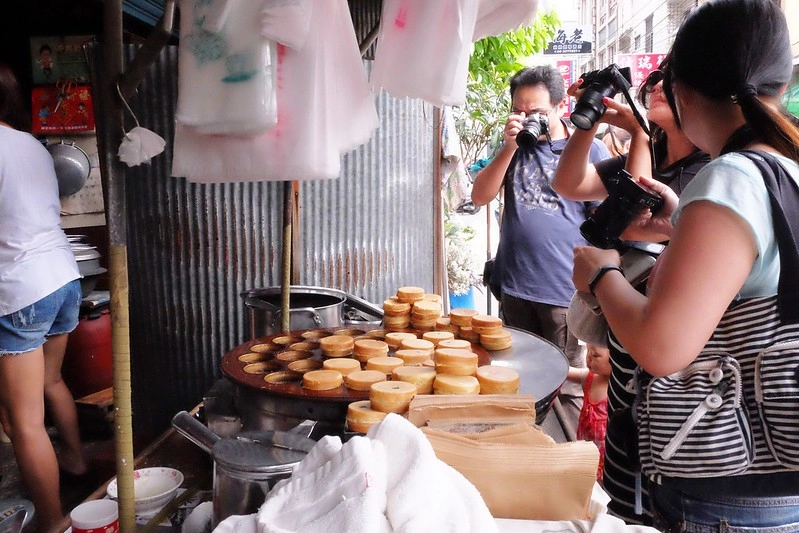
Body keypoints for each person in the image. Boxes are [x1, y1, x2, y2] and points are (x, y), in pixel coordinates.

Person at [572, 0, 799, 529]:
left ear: (685, 91)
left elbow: (661, 347)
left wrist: (602, 272)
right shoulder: (784, 171)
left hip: (728, 495)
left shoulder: (731, 178)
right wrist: (680, 226)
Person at [552, 56, 710, 526]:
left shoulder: (711, 171)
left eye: (671, 79)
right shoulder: (652, 152)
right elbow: (568, 181)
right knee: (624, 461)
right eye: (655, 78)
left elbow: (632, 217)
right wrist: (588, 120)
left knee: (652, 467)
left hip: (667, 347)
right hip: (625, 339)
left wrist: (639, 134)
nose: (658, 84)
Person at [470, 65, 610, 434]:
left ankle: (568, 462)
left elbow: (605, 224)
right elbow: (479, 195)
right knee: (516, 378)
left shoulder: (589, 150)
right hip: (515, 285)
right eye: (519, 110)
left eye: (536, 112)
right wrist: (508, 147)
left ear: (562, 106)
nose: (527, 119)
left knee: (562, 383)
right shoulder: (514, 147)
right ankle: (523, 451)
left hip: (561, 291)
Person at [0, 64, 88, 531]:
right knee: (52, 381)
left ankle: (54, 523)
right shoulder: (30, 143)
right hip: (62, 278)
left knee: (23, 423)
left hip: (21, 291)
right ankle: (75, 462)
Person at [566, 343, 610, 483]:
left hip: (605, 463)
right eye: (588, 352)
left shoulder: (618, 392)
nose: (588, 359)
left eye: (596, 355)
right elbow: (574, 373)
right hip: (585, 453)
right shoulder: (591, 378)